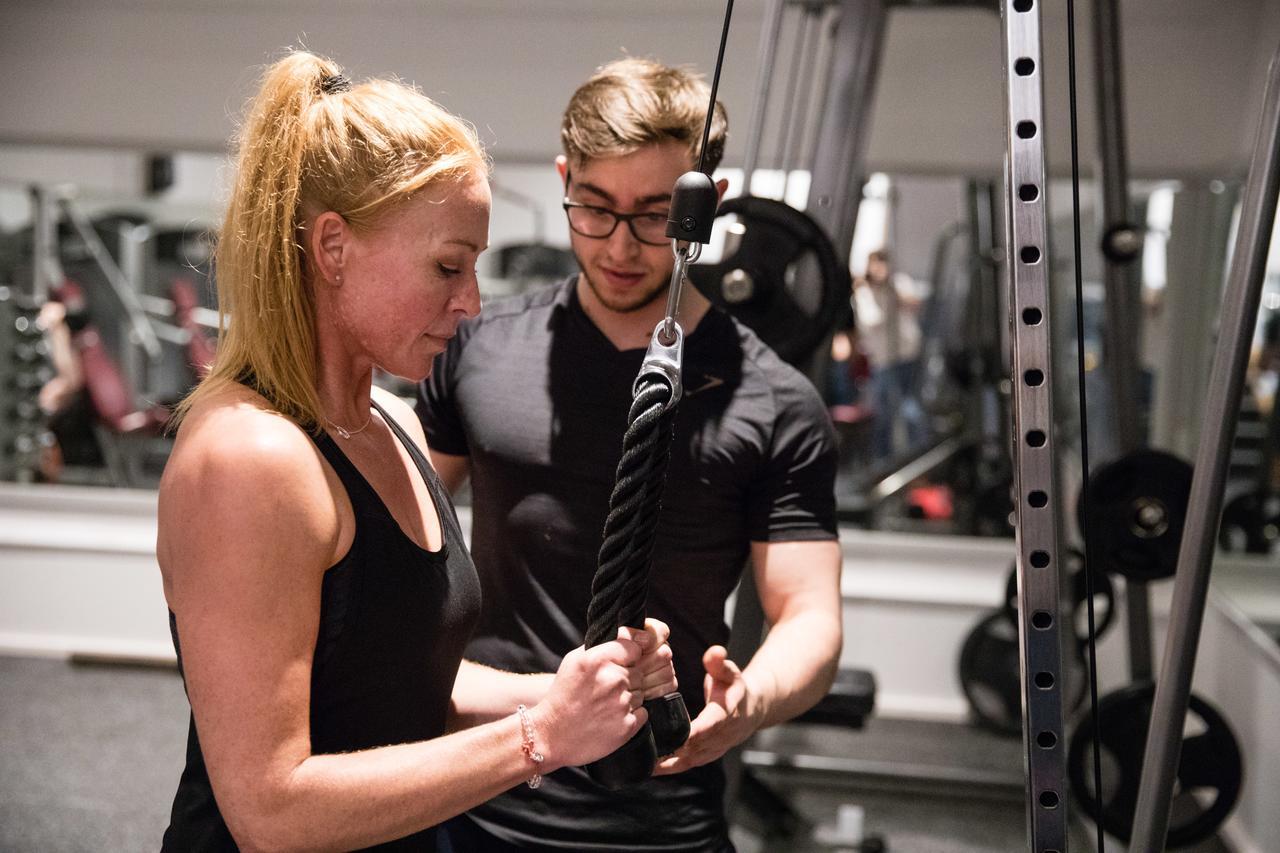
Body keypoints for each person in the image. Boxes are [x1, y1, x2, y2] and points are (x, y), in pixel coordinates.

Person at [157, 51, 676, 852]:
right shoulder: (248, 458)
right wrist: (540, 735)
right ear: (333, 247)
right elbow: (270, 808)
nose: (470, 303)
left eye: (475, 269)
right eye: (447, 267)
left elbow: (396, 683)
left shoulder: (390, 421)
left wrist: (581, 693)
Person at [418, 57, 843, 851]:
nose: (620, 245)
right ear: (563, 180)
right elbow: (397, 535)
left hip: (660, 806)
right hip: (478, 778)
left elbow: (810, 616)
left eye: (655, 216)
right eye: (595, 208)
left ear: (707, 204)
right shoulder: (475, 349)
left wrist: (749, 699)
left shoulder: (775, 400)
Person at [852, 248, 928, 458]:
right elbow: (871, 322)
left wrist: (893, 291)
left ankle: (918, 458)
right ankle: (882, 461)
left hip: (907, 354)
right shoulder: (865, 292)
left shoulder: (898, 282)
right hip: (883, 359)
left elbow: (915, 302)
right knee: (883, 413)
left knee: (910, 408)